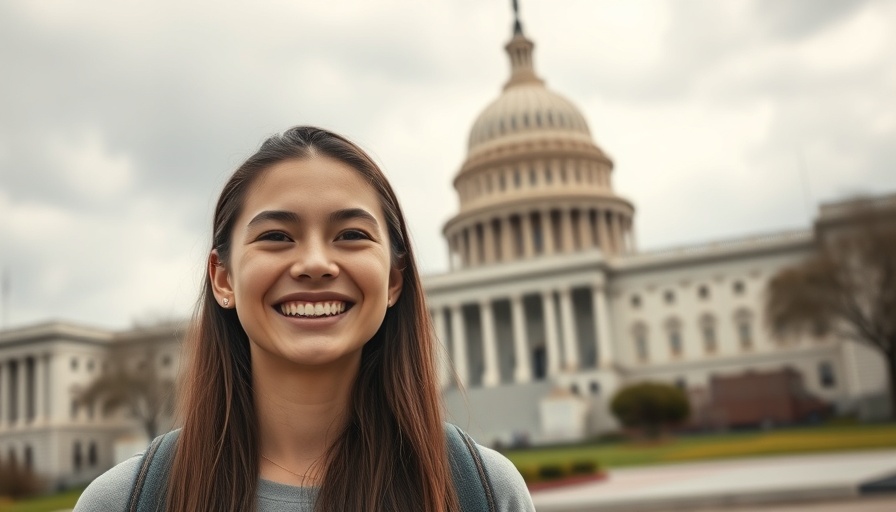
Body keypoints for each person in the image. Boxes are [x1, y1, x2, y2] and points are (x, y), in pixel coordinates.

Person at [74, 126, 535, 511]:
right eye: (276, 236)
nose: (315, 263)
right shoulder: (123, 502)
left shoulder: (484, 493)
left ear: (395, 279)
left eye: (351, 234)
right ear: (223, 279)